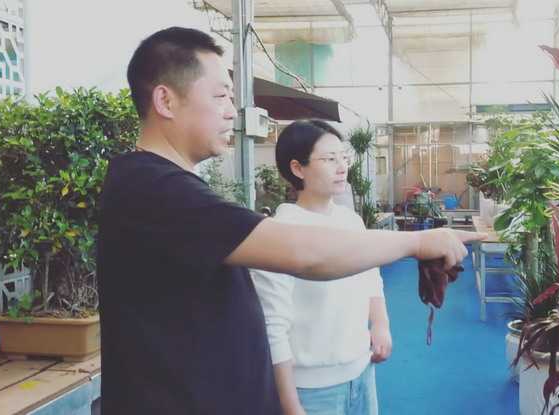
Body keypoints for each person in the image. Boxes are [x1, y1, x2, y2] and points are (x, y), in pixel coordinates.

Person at [97, 26, 483, 414]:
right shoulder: (151, 188)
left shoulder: (164, 185)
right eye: (220, 96)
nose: (232, 110)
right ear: (165, 100)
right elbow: (306, 254)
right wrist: (417, 242)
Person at [251, 120, 391, 415]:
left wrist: (380, 324)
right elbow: (273, 327)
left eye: (343, 157)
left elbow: (371, 278)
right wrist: (290, 405)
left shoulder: (351, 221)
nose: (342, 167)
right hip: (312, 393)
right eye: (329, 159)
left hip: (363, 374)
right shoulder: (279, 234)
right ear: (297, 168)